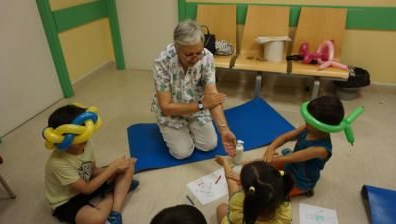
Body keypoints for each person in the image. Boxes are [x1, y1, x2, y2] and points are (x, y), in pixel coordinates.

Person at [151, 19, 236, 159]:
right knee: (182, 153)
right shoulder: (162, 62)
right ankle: (168, 127)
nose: (195, 58)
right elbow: (166, 107)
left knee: (209, 145)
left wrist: (224, 130)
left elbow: (212, 97)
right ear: (177, 47)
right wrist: (202, 105)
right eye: (189, 54)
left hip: (197, 108)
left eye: (198, 52)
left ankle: (190, 125)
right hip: (173, 111)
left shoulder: (207, 57)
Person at [44, 104, 138, 224]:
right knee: (96, 219)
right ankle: (113, 191)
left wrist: (116, 169)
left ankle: (115, 213)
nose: (86, 141)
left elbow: (91, 170)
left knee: (128, 166)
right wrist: (113, 168)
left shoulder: (86, 143)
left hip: (87, 182)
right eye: (80, 139)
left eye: (86, 137)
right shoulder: (58, 162)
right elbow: (87, 189)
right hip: (66, 201)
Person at [262, 95, 345, 197]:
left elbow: (292, 158)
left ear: (321, 126)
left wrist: (267, 160)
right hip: (291, 165)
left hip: (300, 180)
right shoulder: (307, 127)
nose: (305, 121)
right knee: (266, 170)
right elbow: (286, 137)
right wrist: (271, 148)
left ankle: (305, 189)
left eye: (309, 120)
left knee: (271, 194)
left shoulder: (321, 150)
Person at [215, 157, 293, 224]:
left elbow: (231, 183)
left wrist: (224, 162)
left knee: (221, 208)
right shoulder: (285, 210)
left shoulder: (238, 208)